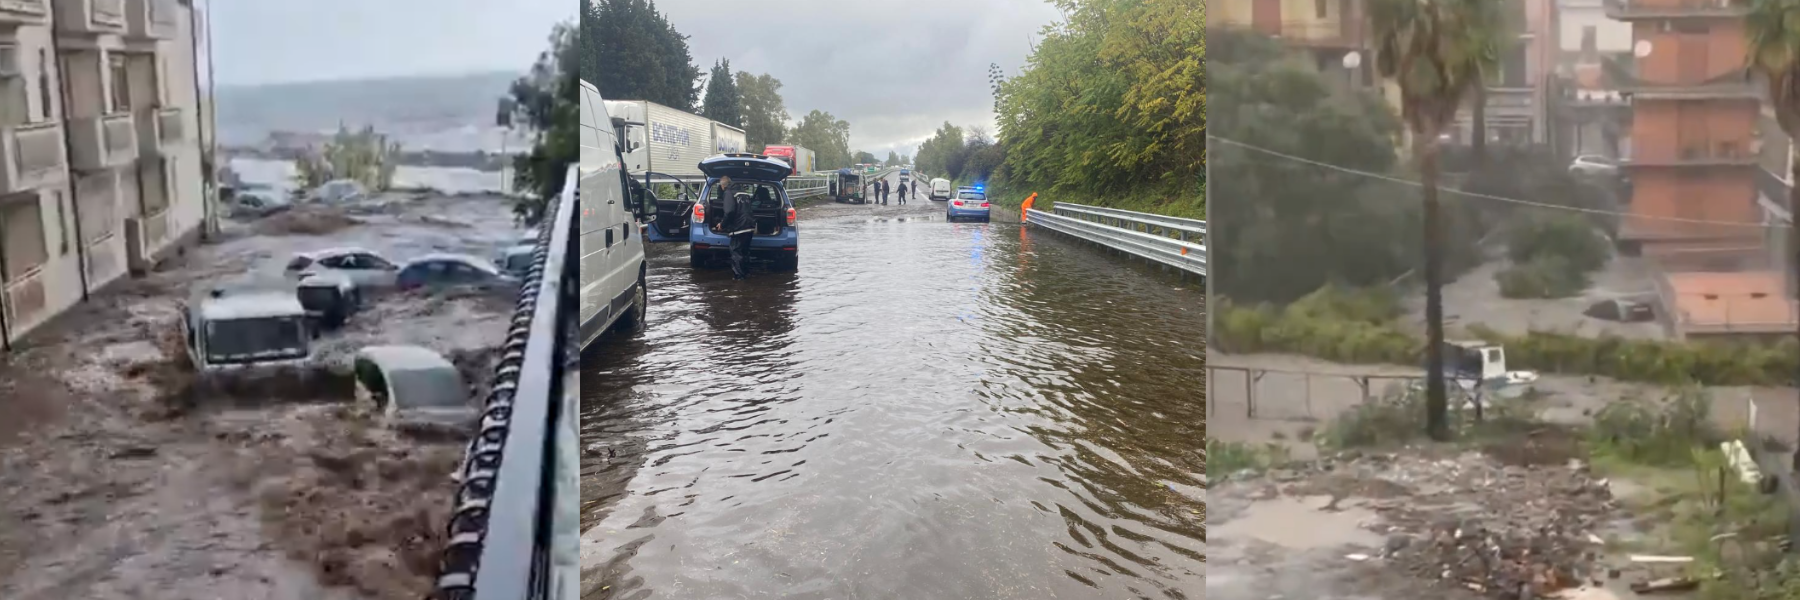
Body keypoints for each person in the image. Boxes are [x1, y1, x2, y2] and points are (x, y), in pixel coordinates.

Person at [714, 175, 756, 280]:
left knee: (736, 252)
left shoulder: (728, 193)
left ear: (722, 186)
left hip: (739, 227)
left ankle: (739, 277)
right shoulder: (743, 193)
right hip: (750, 225)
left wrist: (722, 225)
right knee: (745, 252)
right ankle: (746, 274)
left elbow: (729, 212)